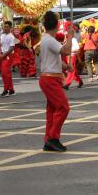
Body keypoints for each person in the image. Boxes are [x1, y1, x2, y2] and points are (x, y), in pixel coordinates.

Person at [39, 11, 74, 152]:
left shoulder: (47, 39)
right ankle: (53, 138)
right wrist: (70, 36)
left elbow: (54, 60)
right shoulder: (49, 40)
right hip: (50, 79)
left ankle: (48, 139)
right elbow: (65, 51)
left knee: (52, 111)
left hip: (50, 77)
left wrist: (66, 66)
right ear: (57, 25)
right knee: (63, 107)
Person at [0, 21, 16, 98]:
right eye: (4, 26)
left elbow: (11, 48)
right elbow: (0, 44)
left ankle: (6, 90)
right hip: (3, 55)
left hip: (8, 55)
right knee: (5, 73)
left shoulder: (11, 37)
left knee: (5, 73)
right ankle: (11, 90)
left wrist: (4, 55)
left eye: (7, 27)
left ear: (10, 28)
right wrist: (0, 53)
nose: (5, 28)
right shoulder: (2, 35)